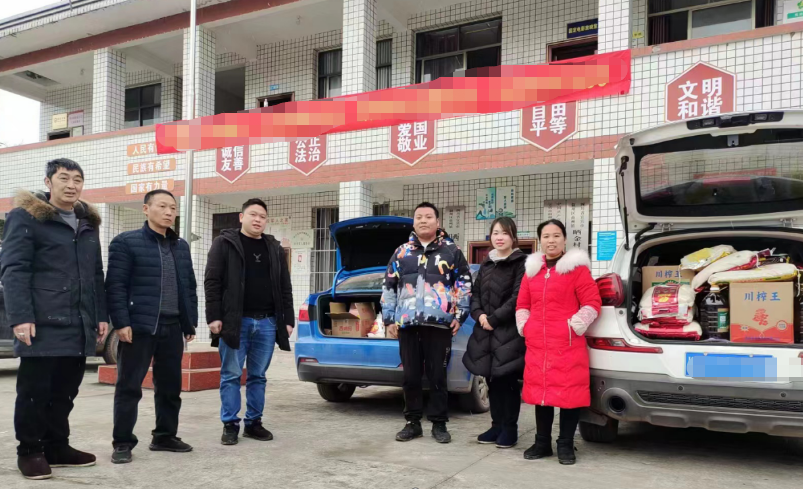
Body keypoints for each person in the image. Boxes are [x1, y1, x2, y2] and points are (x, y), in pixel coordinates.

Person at [0, 159, 108, 480]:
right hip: (42, 321)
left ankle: (57, 446)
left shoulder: (87, 222)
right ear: (48, 182)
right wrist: (21, 316)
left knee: (65, 390)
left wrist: (100, 315)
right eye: (64, 178)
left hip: (79, 321)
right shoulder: (26, 217)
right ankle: (30, 451)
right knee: (36, 391)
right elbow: (14, 269)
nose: (71, 185)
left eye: (77, 179)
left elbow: (96, 274)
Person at [105, 189, 198, 465]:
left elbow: (189, 287)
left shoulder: (180, 246)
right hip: (139, 327)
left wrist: (189, 321)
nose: (169, 212)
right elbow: (115, 286)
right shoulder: (126, 242)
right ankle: (123, 442)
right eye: (162, 206)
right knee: (129, 387)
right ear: (146, 209)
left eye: (173, 208)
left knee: (170, 387)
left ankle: (165, 436)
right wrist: (121, 322)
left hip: (172, 326)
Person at [204, 198, 295, 446]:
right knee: (231, 374)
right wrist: (213, 316)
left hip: (267, 323)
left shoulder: (273, 247)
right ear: (241, 217)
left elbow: (284, 286)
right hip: (235, 322)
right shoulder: (224, 243)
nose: (258, 220)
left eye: (262, 217)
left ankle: (254, 423)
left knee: (258, 376)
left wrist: (287, 319)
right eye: (253, 214)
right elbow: (212, 281)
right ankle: (230, 424)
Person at [381, 202, 472, 444]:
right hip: (408, 324)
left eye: (428, 216)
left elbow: (463, 284)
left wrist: (460, 315)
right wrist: (389, 318)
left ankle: (439, 423)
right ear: (413, 222)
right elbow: (389, 285)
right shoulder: (401, 252)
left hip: (439, 324)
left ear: (437, 222)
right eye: (419, 217)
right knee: (410, 376)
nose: (423, 220)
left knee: (437, 375)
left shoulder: (451, 251)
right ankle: (412, 423)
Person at [515, 219, 601, 465]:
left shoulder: (577, 270)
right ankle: (542, 442)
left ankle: (565, 444)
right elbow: (522, 304)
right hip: (538, 344)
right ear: (539, 240)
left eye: (556, 236)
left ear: (564, 239)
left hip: (567, 344)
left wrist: (574, 325)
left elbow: (592, 302)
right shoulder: (532, 272)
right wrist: (525, 326)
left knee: (569, 395)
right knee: (541, 394)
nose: (551, 241)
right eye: (546, 236)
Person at [462, 217, 526, 449]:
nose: (499, 237)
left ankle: (510, 429)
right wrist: (480, 315)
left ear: (513, 237)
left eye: (505, 233)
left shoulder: (521, 263)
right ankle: (496, 425)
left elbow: (518, 297)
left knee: (507, 381)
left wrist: (494, 319)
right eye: (496, 233)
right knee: (491, 379)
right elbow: (476, 295)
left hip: (508, 332)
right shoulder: (487, 264)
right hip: (485, 332)